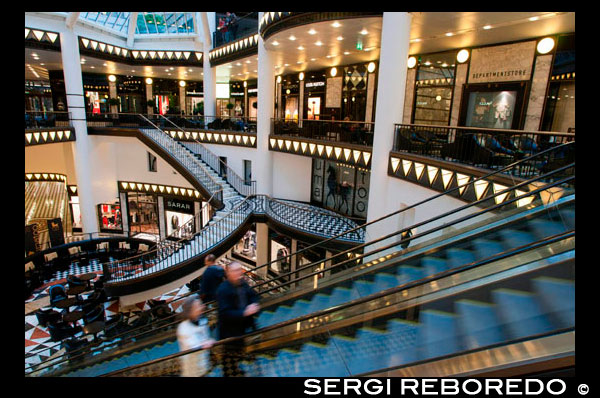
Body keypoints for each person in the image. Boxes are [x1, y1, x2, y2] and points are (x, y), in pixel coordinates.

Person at [216, 262, 260, 376]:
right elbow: (225, 313)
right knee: (229, 357)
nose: (239, 272)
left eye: (239, 270)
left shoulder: (243, 283)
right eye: (235, 270)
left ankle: (236, 370)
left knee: (239, 351)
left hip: (242, 328)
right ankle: (229, 373)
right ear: (228, 273)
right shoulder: (223, 289)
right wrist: (244, 312)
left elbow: (253, 295)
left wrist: (254, 304)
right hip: (229, 332)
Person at [176, 296, 215, 377]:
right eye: (197, 306)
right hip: (192, 370)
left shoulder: (202, 321)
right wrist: (206, 343)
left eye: (200, 305)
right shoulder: (183, 327)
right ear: (190, 311)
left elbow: (205, 337)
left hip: (203, 365)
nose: (202, 307)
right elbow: (192, 346)